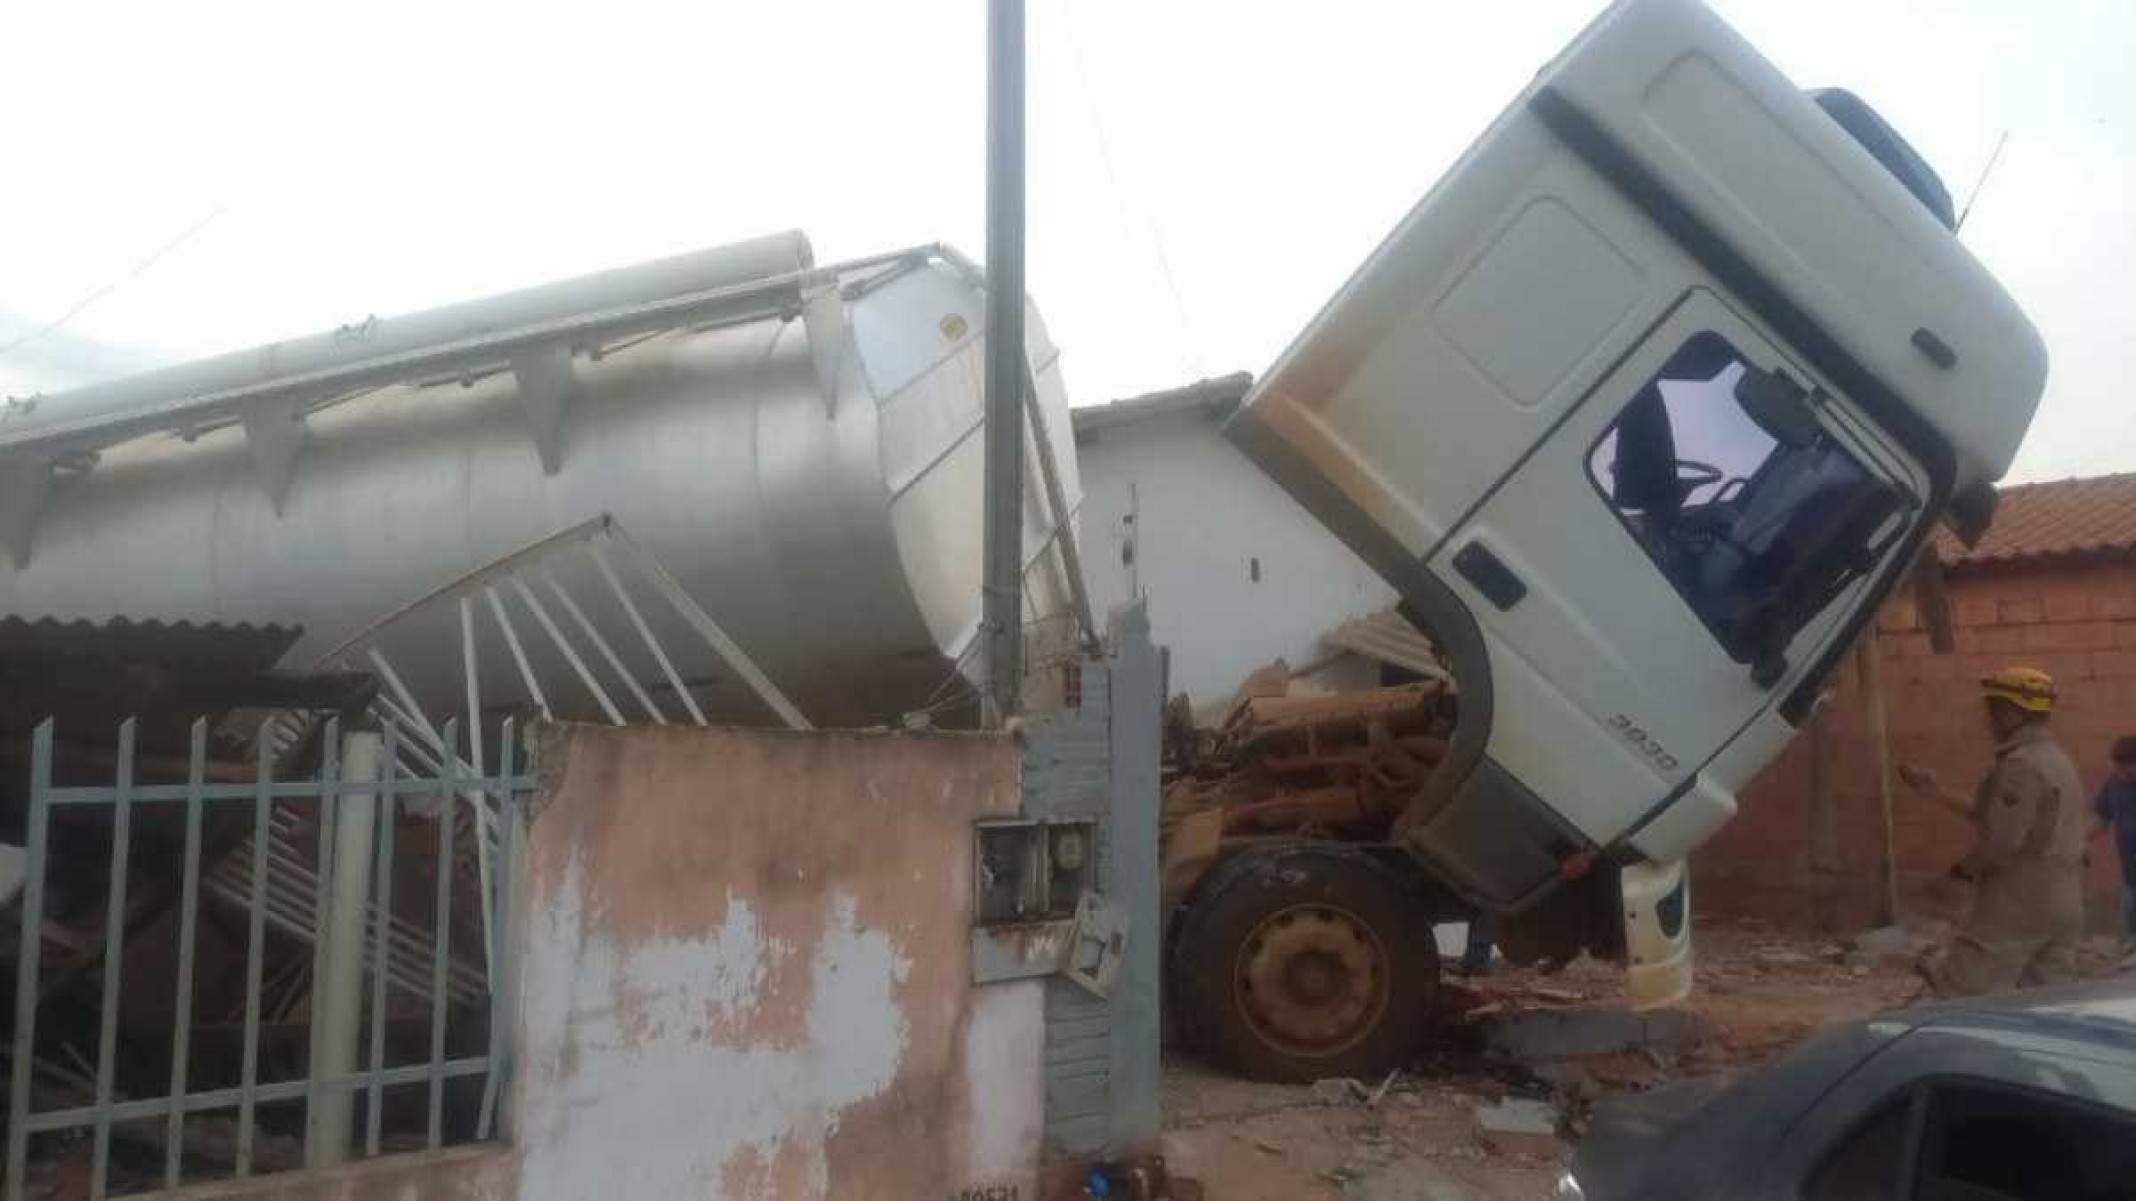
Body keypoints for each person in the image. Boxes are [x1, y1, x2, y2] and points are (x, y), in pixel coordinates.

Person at [1896, 666, 2088, 997]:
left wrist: (1961, 873)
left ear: (2010, 711)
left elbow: (2003, 841)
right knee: (2044, 1004)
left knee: (1960, 994)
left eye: (1993, 708)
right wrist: (1935, 792)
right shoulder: (2056, 760)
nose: (1988, 717)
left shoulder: (2021, 765)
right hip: (2066, 900)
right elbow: (1997, 816)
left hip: (2020, 899)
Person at [2091, 734, 2136, 959]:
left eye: (2128, 771)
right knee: (2129, 943)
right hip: (2131, 882)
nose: (2122, 775)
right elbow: (2100, 818)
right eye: (2118, 769)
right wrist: (2076, 842)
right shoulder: (2115, 783)